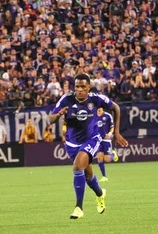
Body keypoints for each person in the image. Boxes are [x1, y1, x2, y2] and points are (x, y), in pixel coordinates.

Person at [50, 74, 128, 219]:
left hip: (92, 138)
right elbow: (50, 118)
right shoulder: (66, 99)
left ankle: (78, 207)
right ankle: (100, 194)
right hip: (72, 143)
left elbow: (116, 108)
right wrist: (58, 114)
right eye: (77, 87)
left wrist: (116, 133)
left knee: (77, 166)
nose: (79, 90)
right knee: (87, 174)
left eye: (83, 87)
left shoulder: (96, 99)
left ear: (89, 87)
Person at [95, 107, 118, 182]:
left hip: (106, 139)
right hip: (97, 140)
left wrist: (110, 133)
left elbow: (112, 127)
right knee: (99, 158)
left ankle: (113, 154)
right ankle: (104, 176)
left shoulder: (108, 116)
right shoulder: (93, 116)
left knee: (107, 159)